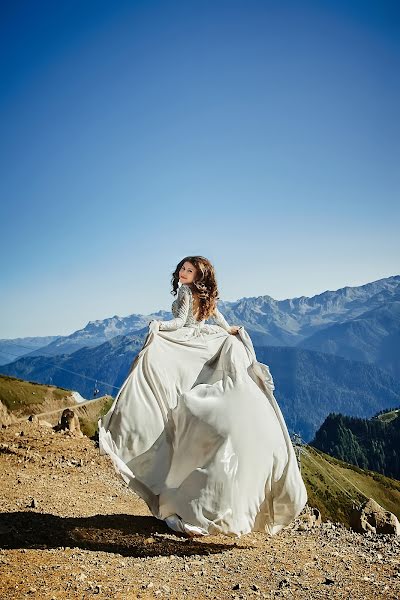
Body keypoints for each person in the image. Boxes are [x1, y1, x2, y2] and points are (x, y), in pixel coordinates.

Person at [98, 256, 307, 538]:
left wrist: (158, 326)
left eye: (189, 270)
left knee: (171, 389)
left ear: (199, 276)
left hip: (189, 344)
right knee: (198, 394)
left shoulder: (186, 292)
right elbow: (217, 318)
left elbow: (181, 321)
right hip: (206, 342)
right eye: (182, 269)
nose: (183, 273)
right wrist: (230, 330)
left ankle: (174, 487)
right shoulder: (202, 294)